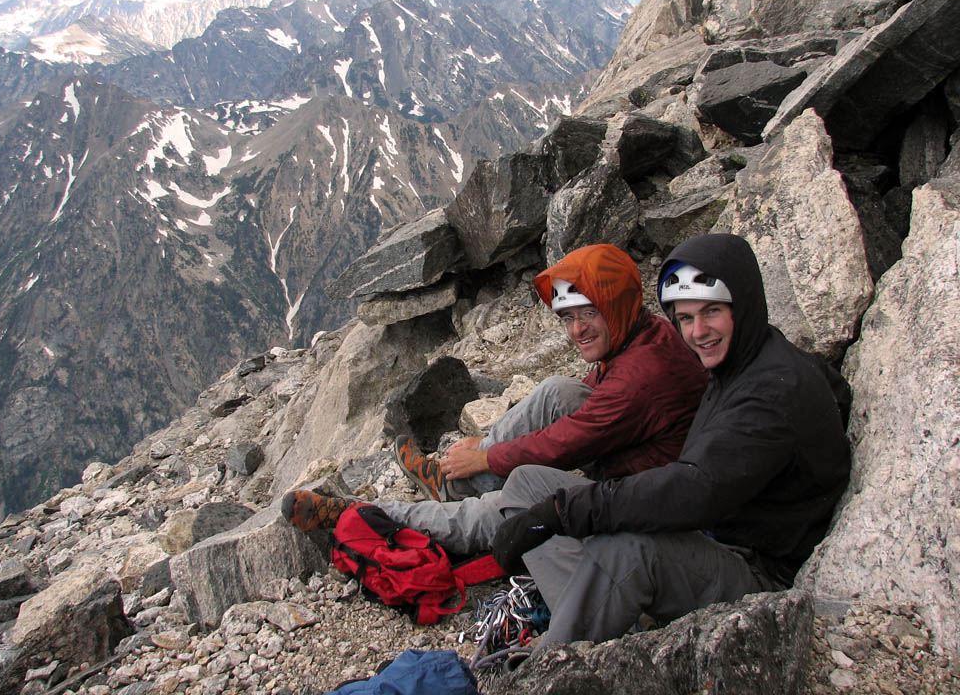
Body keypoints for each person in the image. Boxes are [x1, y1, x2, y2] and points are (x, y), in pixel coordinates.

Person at [489, 233, 852, 647]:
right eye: (684, 317)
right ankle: (609, 615)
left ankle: (563, 662)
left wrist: (561, 512)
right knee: (525, 484)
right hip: (708, 537)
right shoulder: (747, 356)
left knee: (628, 548)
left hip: (754, 571)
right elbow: (836, 390)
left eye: (711, 312)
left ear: (742, 306)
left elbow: (694, 491)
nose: (697, 332)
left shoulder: (770, 394)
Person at [282, 243, 708, 554]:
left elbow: (569, 440)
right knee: (556, 391)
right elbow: (587, 414)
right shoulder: (641, 334)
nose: (576, 331)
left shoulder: (641, 375)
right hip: (634, 463)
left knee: (508, 504)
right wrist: (489, 452)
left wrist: (488, 456)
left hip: (632, 499)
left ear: (615, 304)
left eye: (588, 313)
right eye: (567, 318)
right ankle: (453, 483)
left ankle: (365, 515)